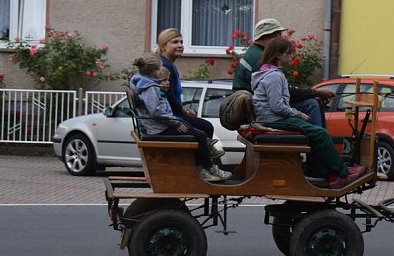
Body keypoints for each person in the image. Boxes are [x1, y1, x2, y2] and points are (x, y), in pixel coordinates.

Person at [251, 37, 364, 189]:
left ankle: (331, 170)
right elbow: (277, 106)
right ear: (278, 55)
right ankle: (343, 173)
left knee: (316, 130)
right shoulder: (273, 76)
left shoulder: (270, 74)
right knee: (320, 134)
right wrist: (298, 114)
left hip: (271, 118)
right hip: (274, 120)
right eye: (288, 53)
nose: (290, 57)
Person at [130, 54, 231, 183]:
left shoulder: (142, 83)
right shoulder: (150, 88)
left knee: (201, 131)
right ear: (155, 71)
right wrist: (176, 123)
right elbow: (156, 112)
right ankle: (205, 168)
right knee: (200, 135)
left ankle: (206, 161)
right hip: (160, 128)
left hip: (159, 125)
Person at [232, 18, 334, 126]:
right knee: (311, 104)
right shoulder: (261, 57)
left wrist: (311, 94)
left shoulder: (255, 53)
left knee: (312, 102)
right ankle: (315, 140)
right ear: (269, 35)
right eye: (279, 34)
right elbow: (282, 95)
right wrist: (316, 93)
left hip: (259, 108)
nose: (281, 38)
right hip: (262, 112)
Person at [156, 28, 224, 158]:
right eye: (175, 42)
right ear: (163, 46)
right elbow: (168, 95)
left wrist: (183, 109)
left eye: (181, 42)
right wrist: (182, 111)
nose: (180, 45)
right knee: (206, 127)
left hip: (173, 113)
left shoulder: (169, 64)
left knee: (204, 126)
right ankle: (201, 164)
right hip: (169, 117)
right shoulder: (165, 66)